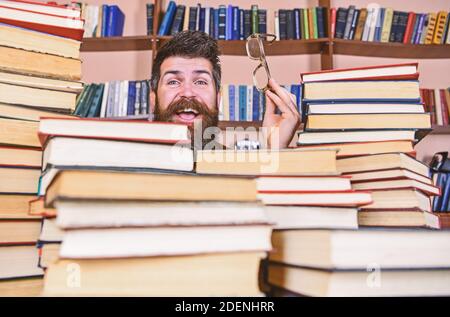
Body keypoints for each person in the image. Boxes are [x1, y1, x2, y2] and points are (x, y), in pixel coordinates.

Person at [150, 30, 301, 149]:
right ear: (153, 98)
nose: (188, 93)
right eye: (173, 82)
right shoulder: (127, 161)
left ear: (218, 99)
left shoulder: (234, 169)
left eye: (201, 82)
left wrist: (275, 150)